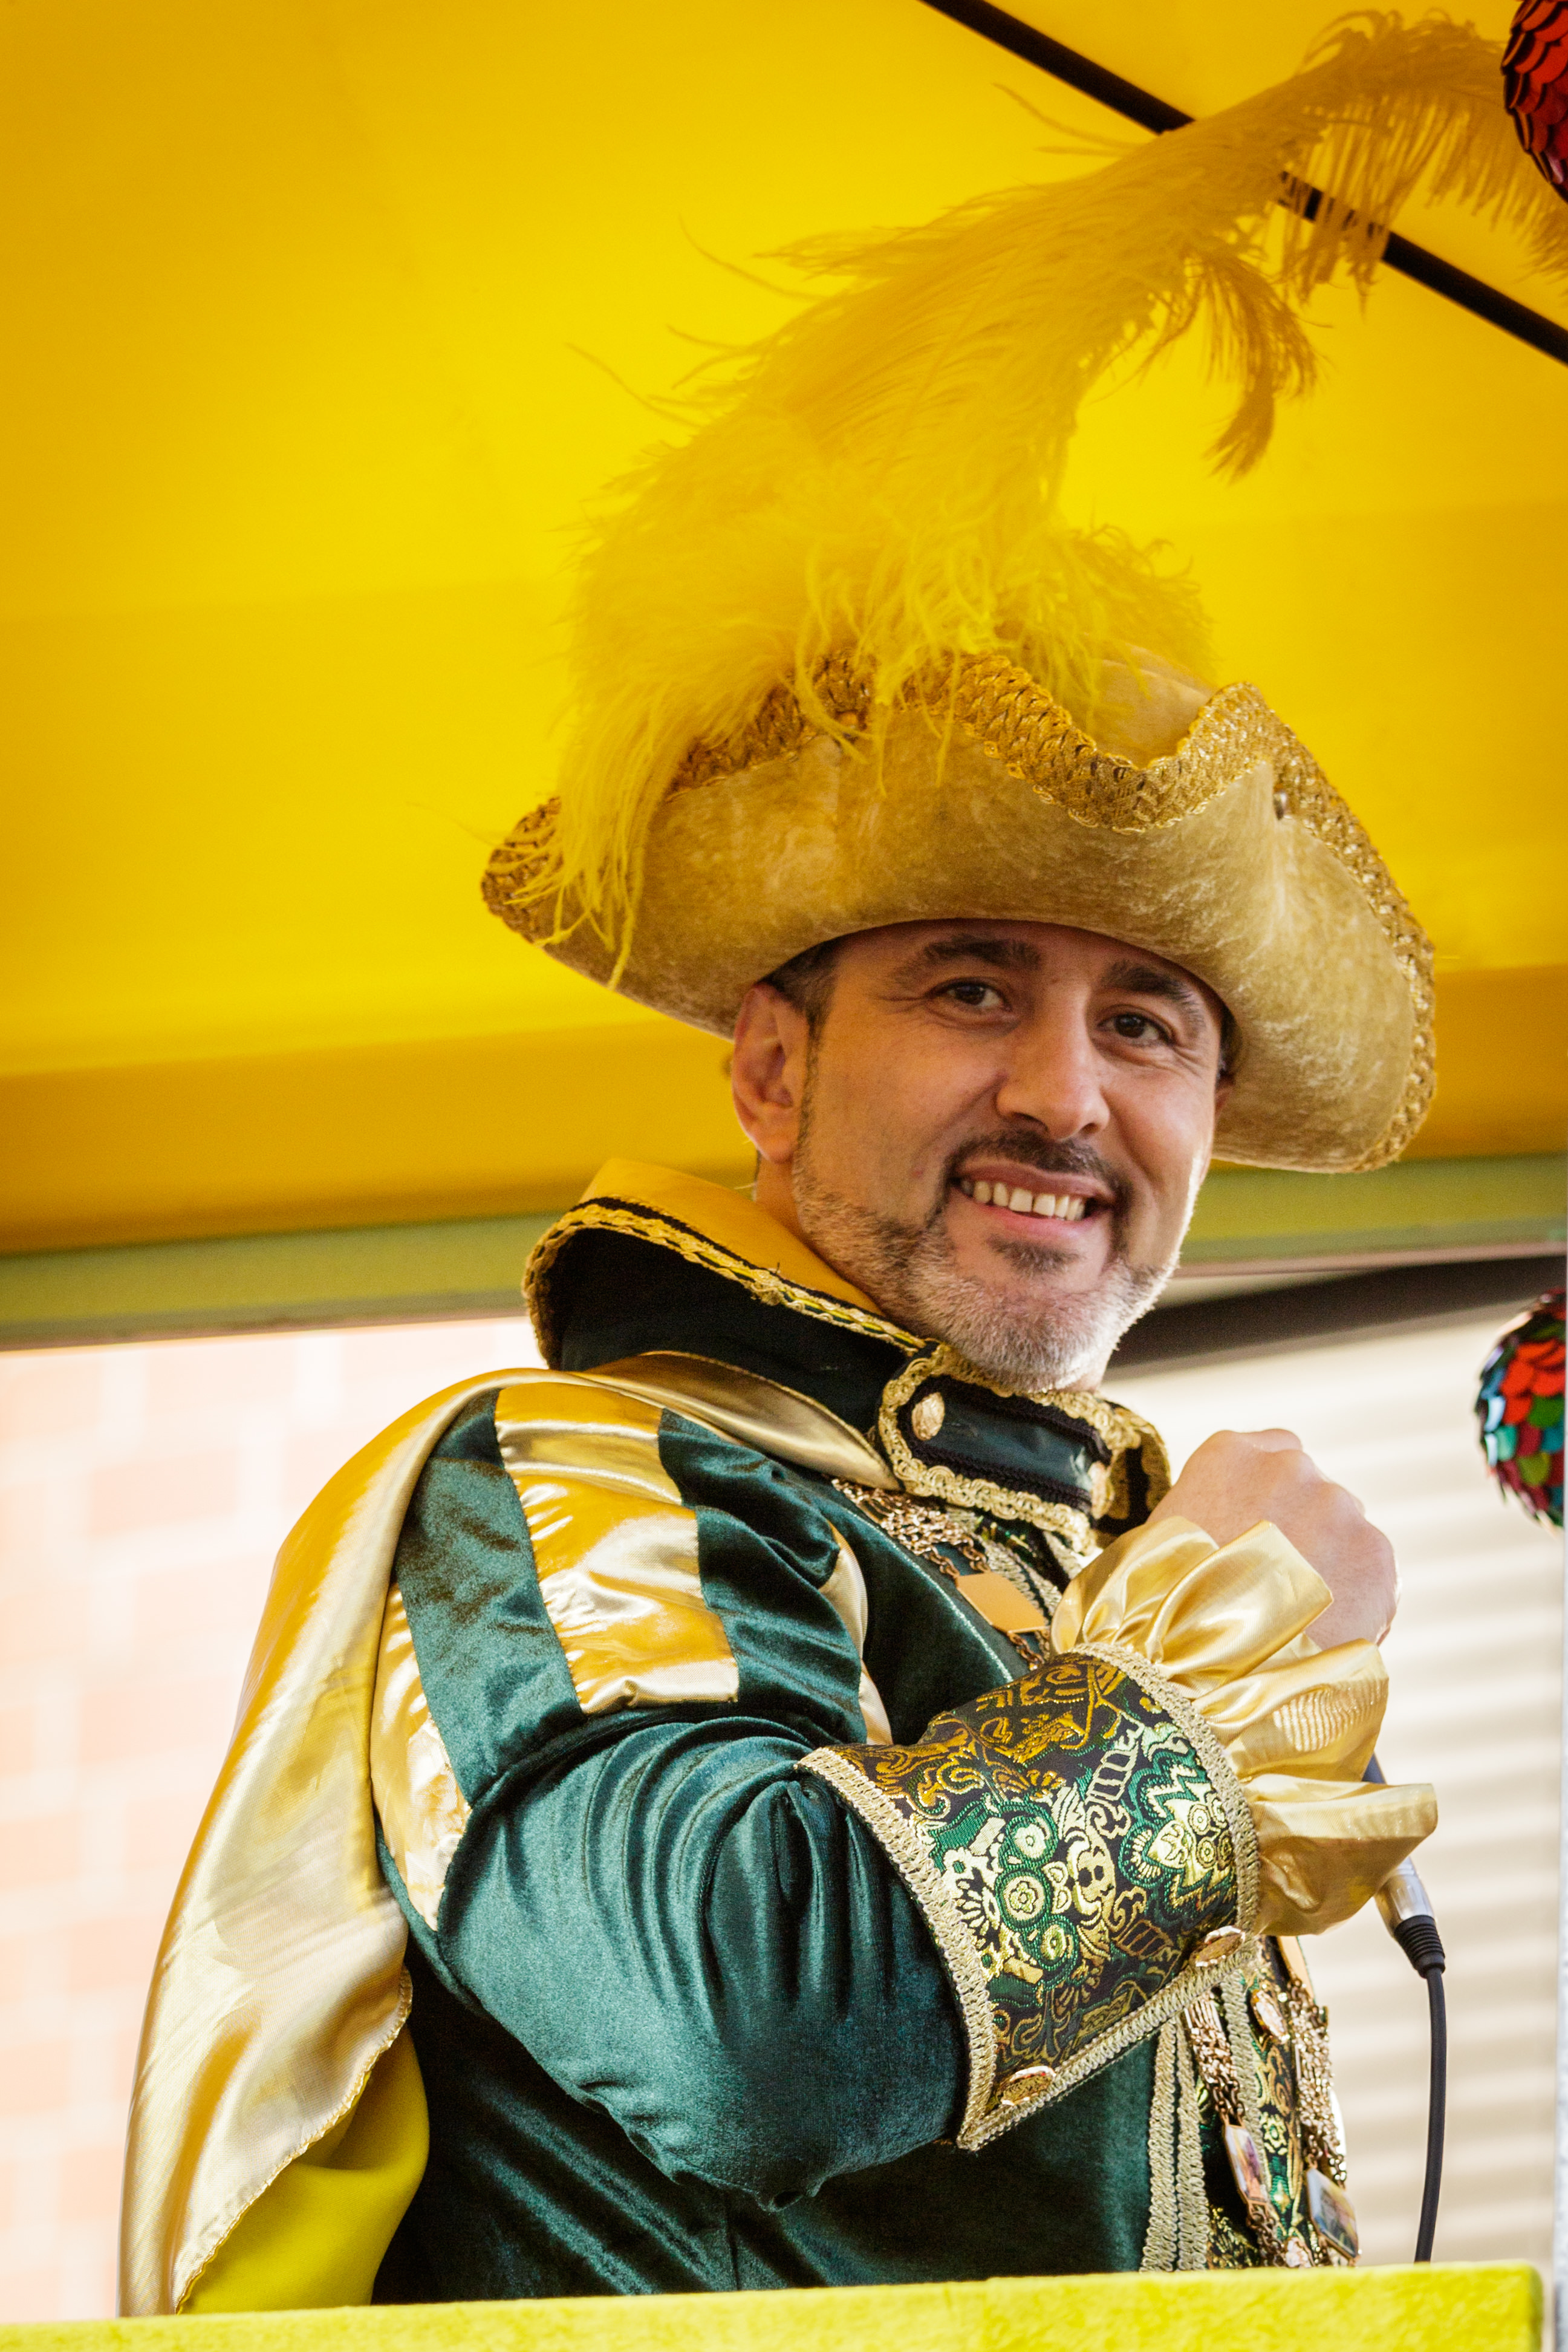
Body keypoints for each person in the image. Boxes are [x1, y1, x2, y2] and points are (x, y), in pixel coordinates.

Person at [121, 13, 1568, 2310]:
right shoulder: (575, 1468)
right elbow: (753, 2017)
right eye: (973, 987)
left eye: (1148, 1025)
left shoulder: (1081, 1556)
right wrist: (1195, 1692)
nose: (1066, 1099)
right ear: (770, 1069)